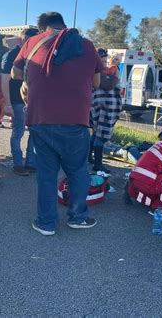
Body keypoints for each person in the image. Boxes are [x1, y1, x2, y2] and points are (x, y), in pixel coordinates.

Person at [11, 12, 103, 236]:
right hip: (76, 121)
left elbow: (15, 73)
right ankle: (78, 217)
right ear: (64, 25)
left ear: (43, 28)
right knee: (78, 171)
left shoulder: (32, 42)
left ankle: (46, 223)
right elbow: (97, 81)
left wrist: (29, 80)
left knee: (46, 174)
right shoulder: (87, 45)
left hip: (41, 120)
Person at [1, 28, 38, 176]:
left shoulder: (34, 55)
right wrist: (7, 104)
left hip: (33, 101)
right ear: (23, 40)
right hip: (17, 101)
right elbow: (4, 80)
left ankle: (30, 162)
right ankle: (17, 163)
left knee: (34, 132)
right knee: (18, 132)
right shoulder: (11, 56)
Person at [89, 49, 122, 173]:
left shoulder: (104, 70)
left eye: (104, 61)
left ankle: (89, 157)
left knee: (96, 132)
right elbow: (107, 85)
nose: (103, 63)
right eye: (101, 61)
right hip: (102, 107)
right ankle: (97, 164)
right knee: (100, 135)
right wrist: (115, 77)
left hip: (105, 106)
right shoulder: (96, 70)